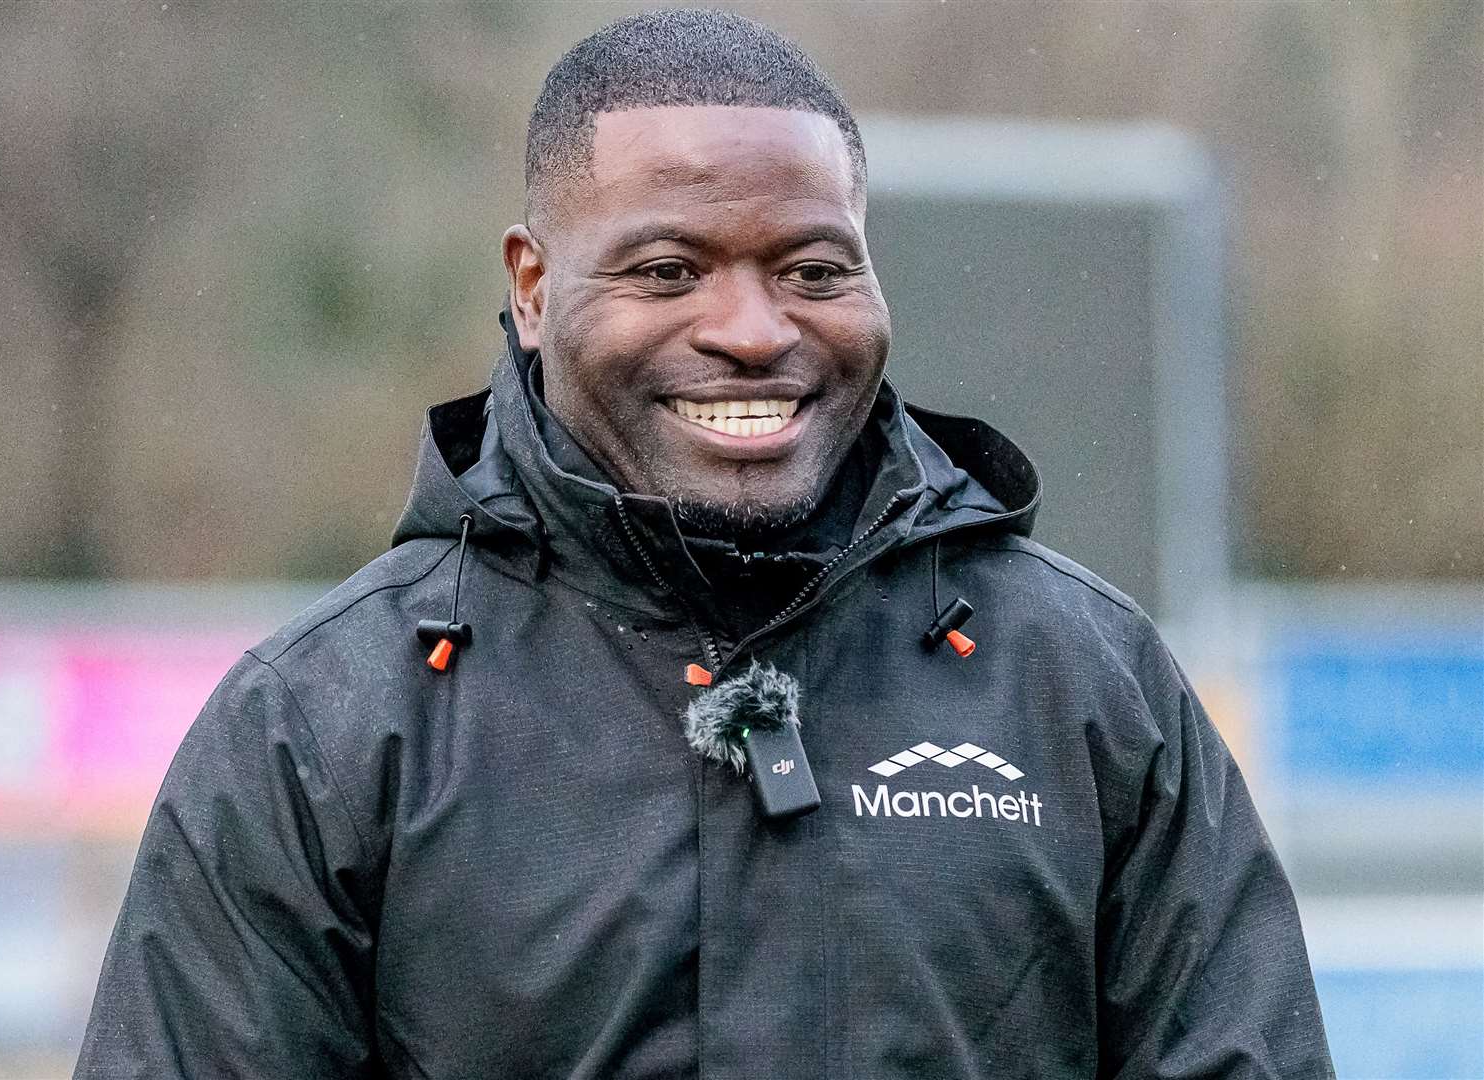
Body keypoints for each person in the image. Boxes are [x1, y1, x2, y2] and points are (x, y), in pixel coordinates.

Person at [77, 9, 1334, 1078]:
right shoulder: (323, 727)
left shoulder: (1083, 684)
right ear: (531, 285)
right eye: (670, 270)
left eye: (812, 269)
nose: (752, 329)